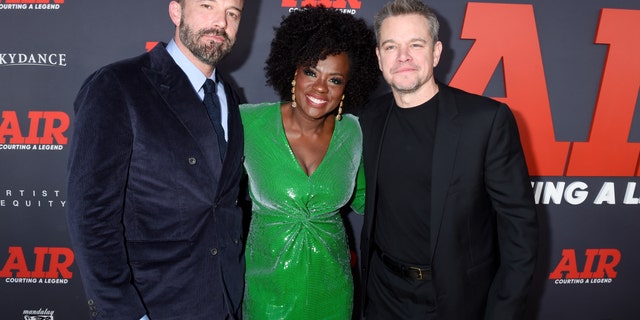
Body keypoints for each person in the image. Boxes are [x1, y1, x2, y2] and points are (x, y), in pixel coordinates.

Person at [358, 0, 539, 319]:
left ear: (436, 52)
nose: (403, 57)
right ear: (379, 57)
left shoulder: (485, 120)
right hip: (382, 296)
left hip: (452, 301)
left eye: (416, 44)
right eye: (391, 46)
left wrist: (503, 311)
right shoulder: (369, 118)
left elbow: (519, 231)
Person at [66, 0, 246, 319]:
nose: (221, 22)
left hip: (223, 302)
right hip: (152, 305)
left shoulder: (230, 97)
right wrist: (126, 312)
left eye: (232, 13)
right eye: (207, 6)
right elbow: (91, 216)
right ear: (176, 12)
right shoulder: (118, 86)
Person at [239, 6, 379, 319]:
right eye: (311, 72)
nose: (319, 88)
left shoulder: (354, 132)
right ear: (293, 70)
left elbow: (371, 202)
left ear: (347, 87)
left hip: (333, 293)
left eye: (335, 79)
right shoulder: (249, 123)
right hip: (267, 295)